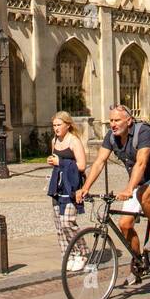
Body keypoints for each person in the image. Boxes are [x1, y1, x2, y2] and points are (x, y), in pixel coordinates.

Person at [77, 104, 150, 285]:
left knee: (144, 194)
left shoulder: (143, 132)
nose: (113, 124)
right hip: (138, 183)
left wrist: (129, 188)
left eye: (117, 120)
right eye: (111, 120)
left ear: (129, 120)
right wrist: (85, 187)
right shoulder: (111, 137)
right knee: (125, 224)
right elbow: (99, 162)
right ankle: (139, 263)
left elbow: (141, 163)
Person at [46, 111, 87, 267]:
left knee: (67, 222)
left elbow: (82, 165)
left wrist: (61, 162)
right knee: (58, 225)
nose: (56, 128)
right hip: (58, 185)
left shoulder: (74, 141)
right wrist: (53, 161)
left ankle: (82, 253)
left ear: (68, 125)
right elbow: (56, 161)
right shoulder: (54, 141)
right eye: (54, 125)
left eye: (59, 125)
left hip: (72, 186)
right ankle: (68, 255)